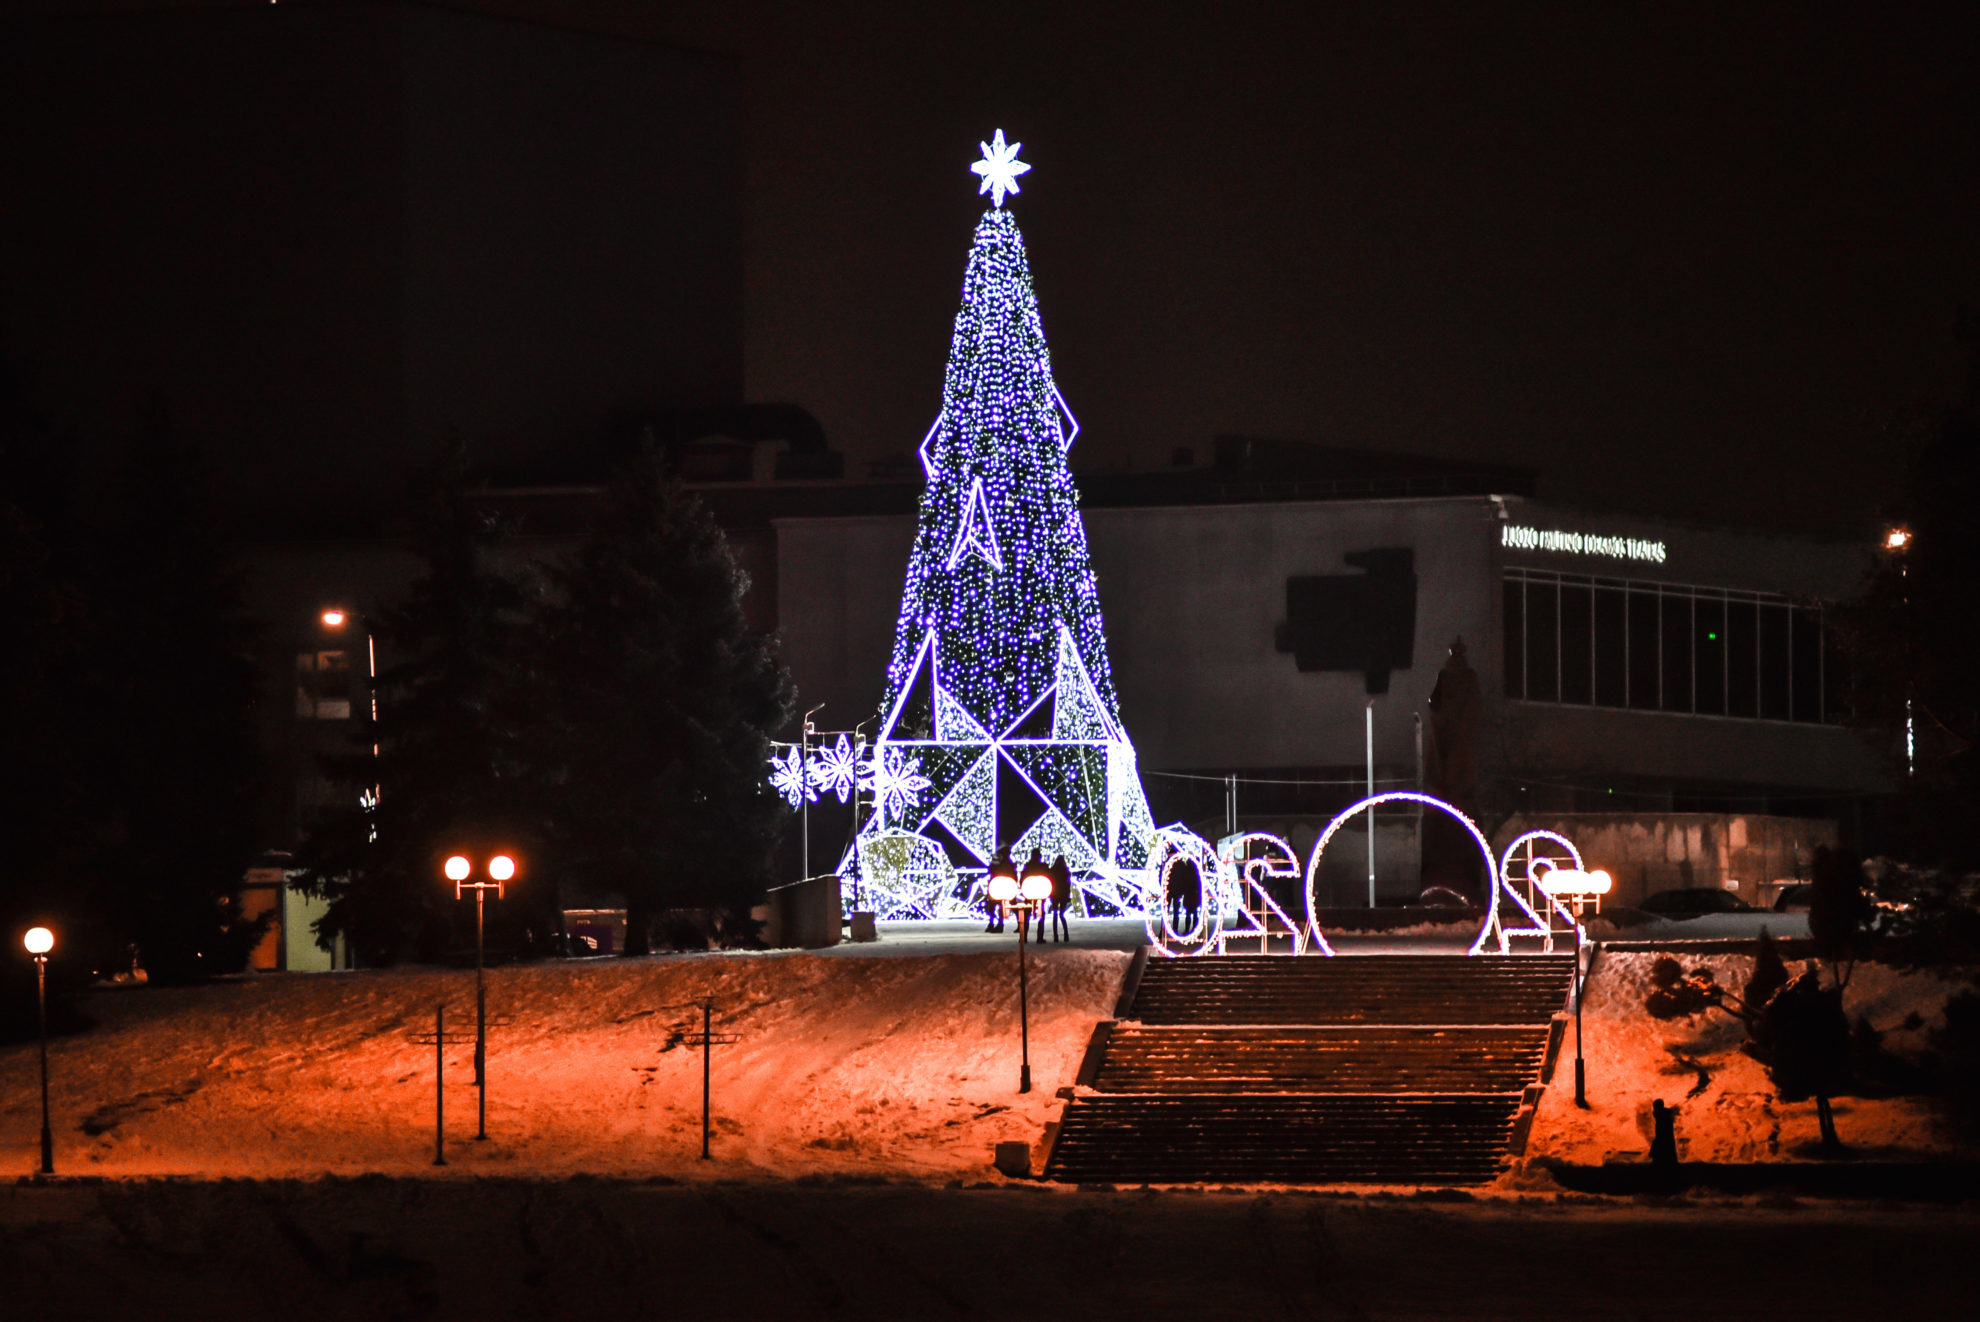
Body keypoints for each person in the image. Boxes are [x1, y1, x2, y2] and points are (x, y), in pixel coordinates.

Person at [984, 845, 1015, 934]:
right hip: (999, 887)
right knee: (995, 906)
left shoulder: (1003, 864)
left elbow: (992, 871)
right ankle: (996, 924)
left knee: (994, 906)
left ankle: (995, 924)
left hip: (1000, 887)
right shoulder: (1007, 864)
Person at [1019, 847, 1048, 941]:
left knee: (1026, 914)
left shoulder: (1027, 866)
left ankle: (1024, 937)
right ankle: (1040, 937)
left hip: (1029, 892)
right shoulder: (1043, 866)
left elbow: (1022, 879)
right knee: (1041, 914)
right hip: (1040, 893)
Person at [1047, 854, 1072, 942]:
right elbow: (1068, 885)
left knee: (1055, 915)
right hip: (1063, 895)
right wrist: (1068, 895)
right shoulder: (1066, 872)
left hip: (1055, 895)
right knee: (1062, 915)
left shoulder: (1052, 871)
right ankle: (1066, 934)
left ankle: (1055, 936)